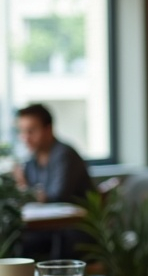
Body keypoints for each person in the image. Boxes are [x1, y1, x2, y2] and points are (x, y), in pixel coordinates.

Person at [13, 103, 94, 259]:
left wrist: (26, 189)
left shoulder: (64, 155)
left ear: (48, 129)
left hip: (77, 229)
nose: (26, 137)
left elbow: (57, 196)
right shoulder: (31, 161)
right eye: (22, 131)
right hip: (48, 229)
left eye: (31, 131)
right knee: (14, 237)